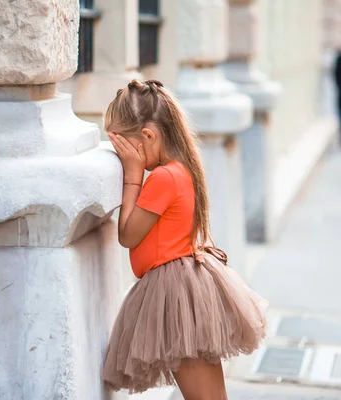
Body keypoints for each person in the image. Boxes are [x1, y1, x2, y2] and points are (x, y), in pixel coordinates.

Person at [102, 79, 267, 399]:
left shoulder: (163, 177)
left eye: (123, 146)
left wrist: (133, 175)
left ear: (148, 136)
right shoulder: (181, 169)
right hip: (186, 289)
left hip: (178, 294)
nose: (121, 155)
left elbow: (128, 234)